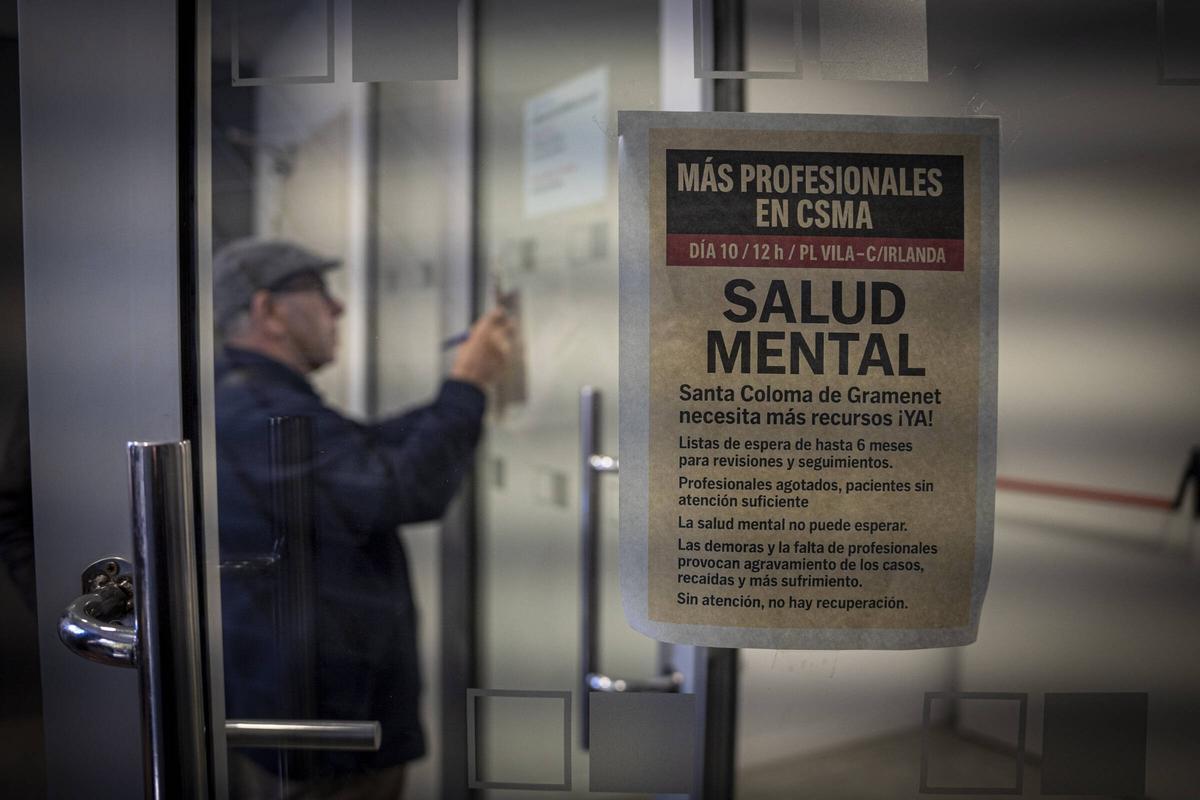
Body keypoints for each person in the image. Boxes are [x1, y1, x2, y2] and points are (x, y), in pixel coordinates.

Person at [213, 239, 513, 798]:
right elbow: (397, 489)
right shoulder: (261, 409)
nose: (339, 308)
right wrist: (466, 386)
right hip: (325, 724)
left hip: (319, 707)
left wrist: (460, 388)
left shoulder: (251, 395)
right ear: (268, 311)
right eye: (319, 293)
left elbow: (362, 449)